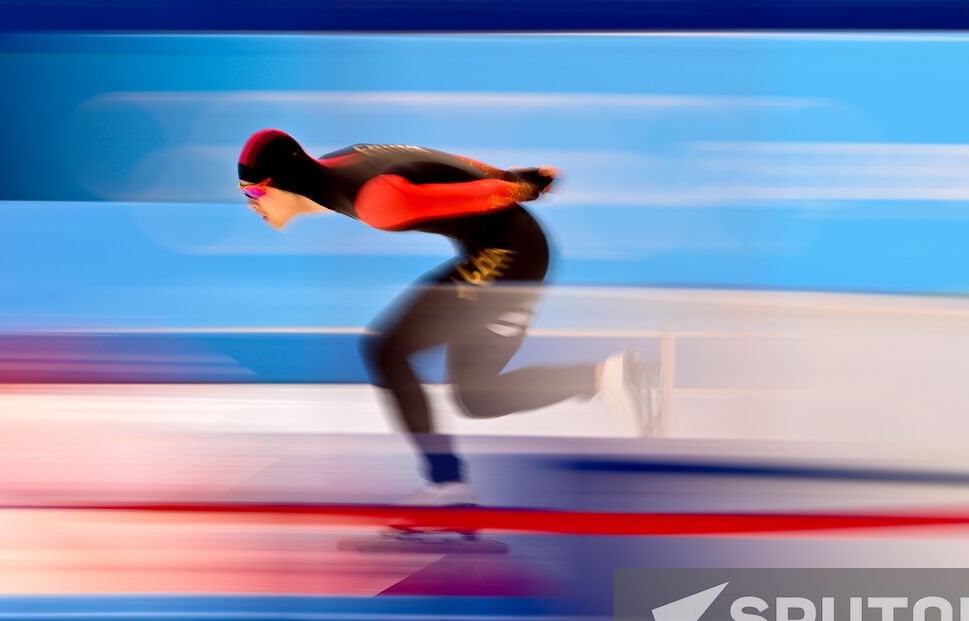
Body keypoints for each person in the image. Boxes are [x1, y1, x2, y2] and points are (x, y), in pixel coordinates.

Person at [237, 129, 656, 510]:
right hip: (508, 248)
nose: (251, 205)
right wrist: (511, 173)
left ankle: (446, 487)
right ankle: (605, 377)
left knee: (387, 349)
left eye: (254, 193)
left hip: (510, 256)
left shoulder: (376, 201)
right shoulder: (337, 167)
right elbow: (438, 161)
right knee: (477, 396)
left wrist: (518, 184)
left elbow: (478, 195)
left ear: (283, 181)